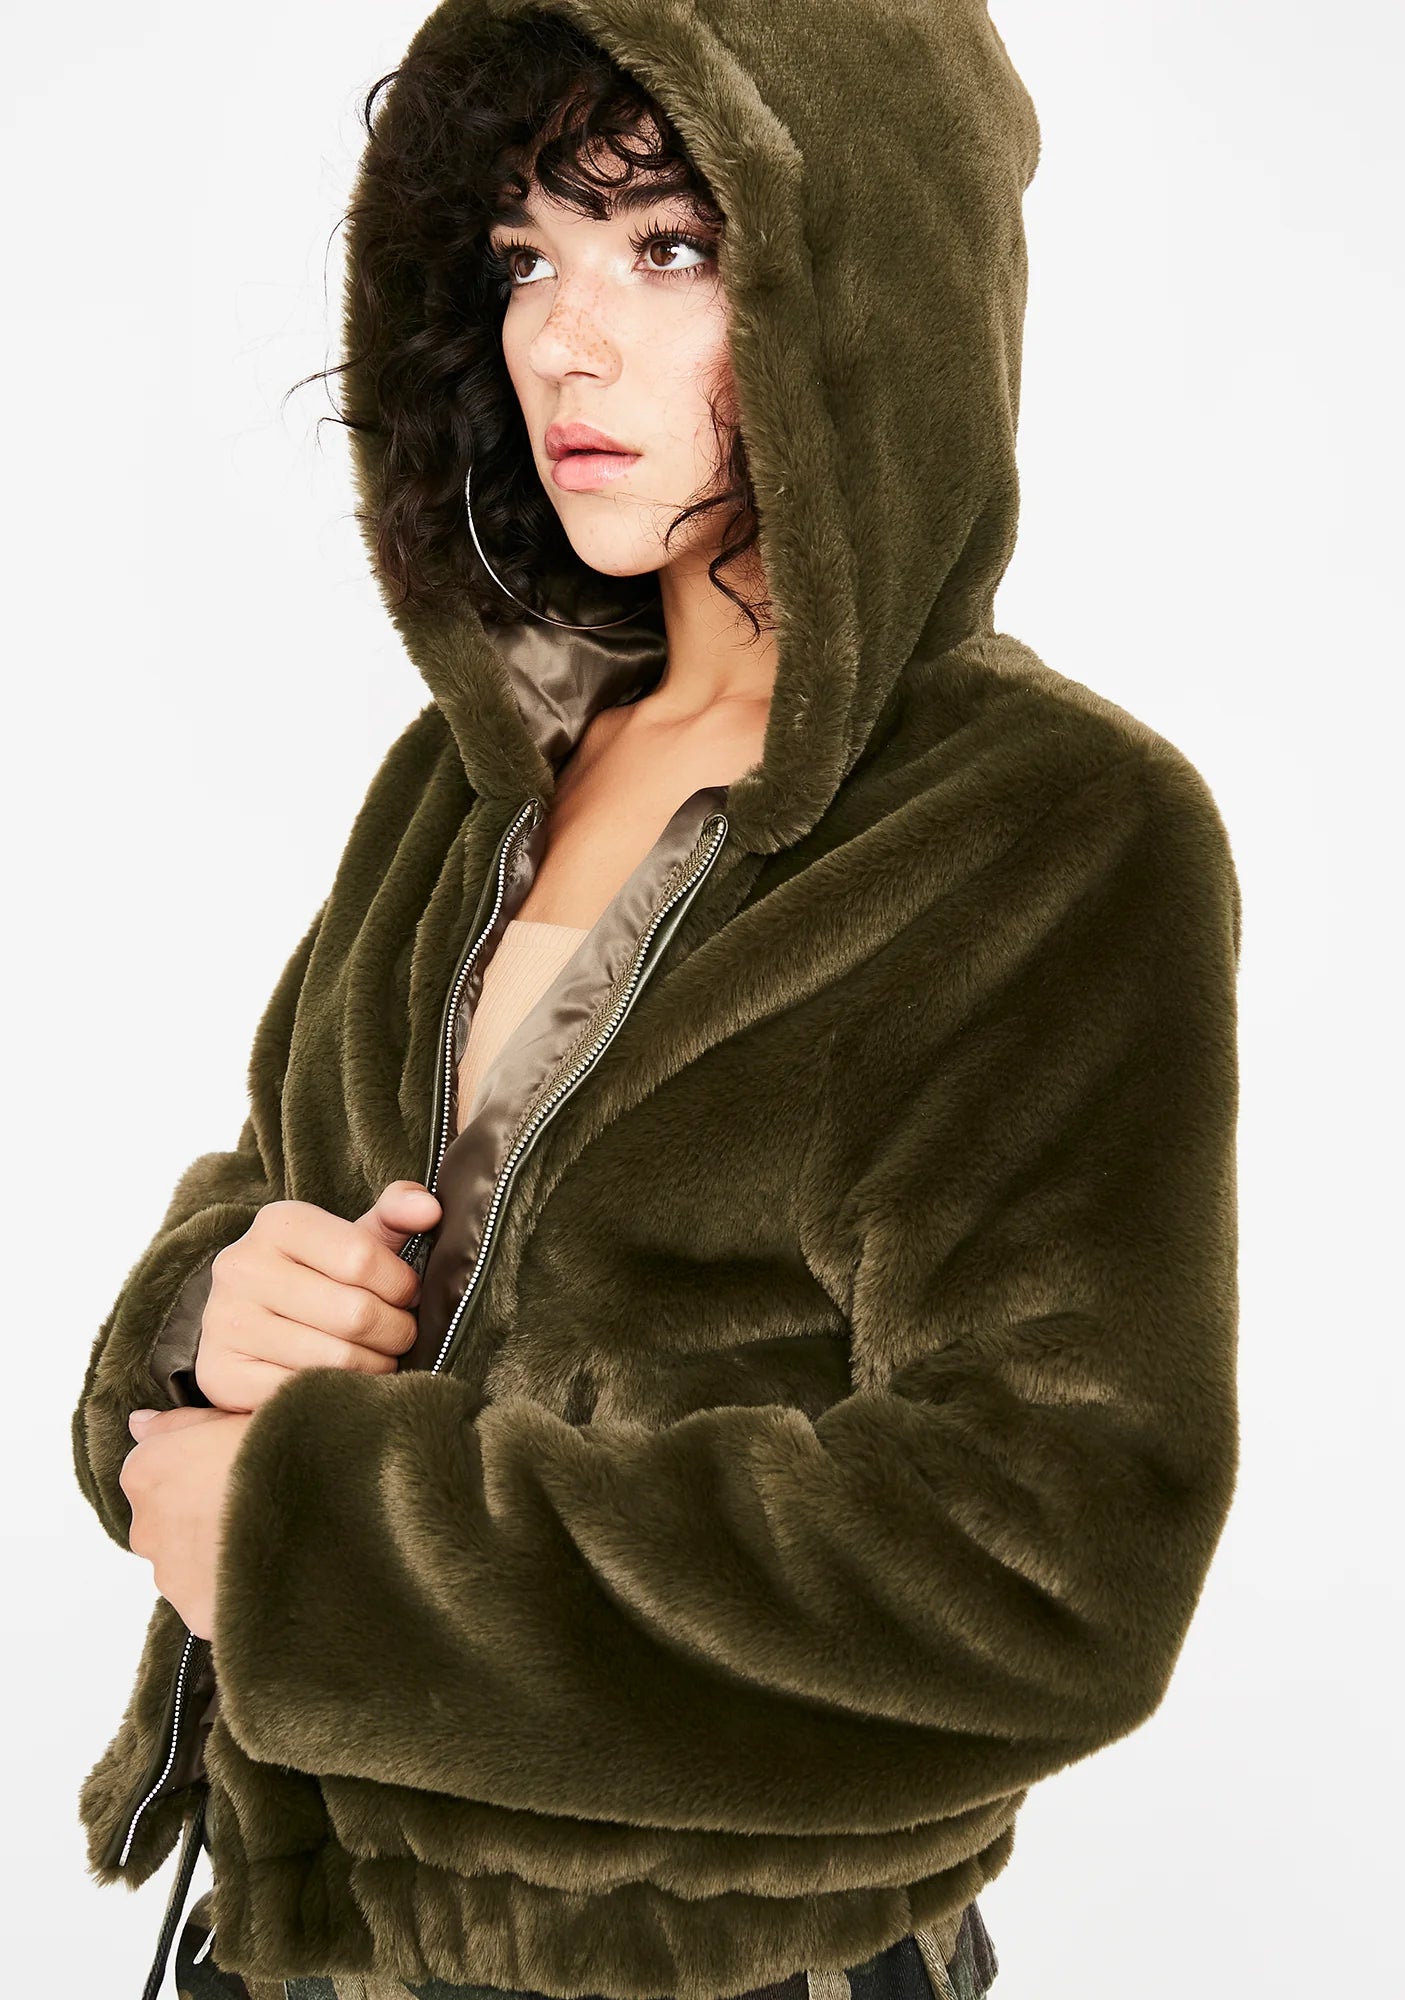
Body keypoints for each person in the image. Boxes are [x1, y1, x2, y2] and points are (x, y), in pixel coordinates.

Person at [70, 5, 1242, 2000]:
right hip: (290, 1942)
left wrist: (330, 1559)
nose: (563, 341)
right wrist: (206, 1312)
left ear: (864, 281)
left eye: (667, 248)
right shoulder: (471, 779)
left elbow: (1046, 1562)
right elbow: (274, 1203)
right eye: (524, 257)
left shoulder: (1044, 832)